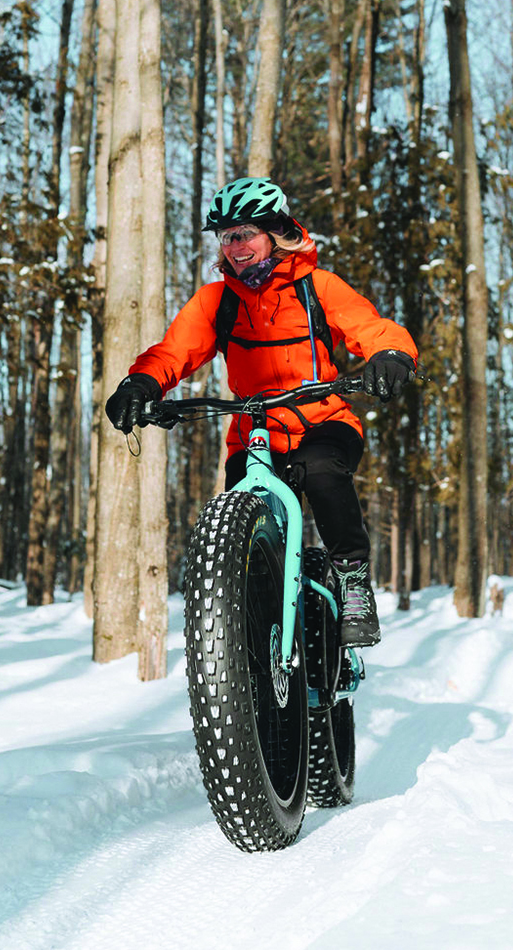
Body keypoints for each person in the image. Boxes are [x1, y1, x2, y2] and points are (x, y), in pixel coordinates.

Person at [105, 176, 418, 646]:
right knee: (241, 519)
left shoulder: (318, 287)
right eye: (226, 237)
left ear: (274, 231)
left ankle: (352, 579)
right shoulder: (217, 301)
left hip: (324, 422)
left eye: (245, 233)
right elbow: (174, 351)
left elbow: (372, 328)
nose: (235, 246)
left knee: (321, 472)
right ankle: (249, 626)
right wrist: (141, 382)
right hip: (254, 435)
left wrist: (391, 356)